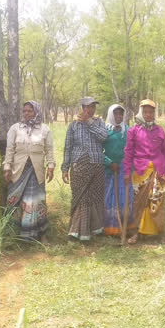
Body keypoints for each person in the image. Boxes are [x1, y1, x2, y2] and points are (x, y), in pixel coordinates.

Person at [123, 99, 165, 244]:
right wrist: (126, 172)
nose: (148, 115)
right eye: (145, 112)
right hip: (140, 172)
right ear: (141, 113)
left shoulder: (159, 130)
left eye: (151, 112)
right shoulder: (133, 130)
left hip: (158, 170)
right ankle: (136, 233)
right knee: (139, 202)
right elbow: (128, 152)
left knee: (157, 200)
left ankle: (160, 233)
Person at [3, 100, 55, 242]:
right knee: (14, 200)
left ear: (36, 112)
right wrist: (7, 167)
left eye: (30, 111)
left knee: (36, 202)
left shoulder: (44, 129)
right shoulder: (15, 128)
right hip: (18, 171)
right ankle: (14, 235)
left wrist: (51, 166)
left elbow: (49, 149)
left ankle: (41, 234)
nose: (26, 113)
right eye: (24, 111)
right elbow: (10, 149)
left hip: (36, 171)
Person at [62, 97, 109, 241]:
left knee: (95, 197)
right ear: (82, 108)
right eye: (88, 107)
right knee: (81, 197)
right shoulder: (73, 126)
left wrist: (88, 122)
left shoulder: (99, 122)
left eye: (93, 107)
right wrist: (65, 168)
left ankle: (95, 229)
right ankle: (77, 232)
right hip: (79, 166)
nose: (91, 110)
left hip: (96, 165)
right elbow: (68, 147)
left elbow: (103, 137)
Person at [103, 104, 132, 236]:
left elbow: (132, 149)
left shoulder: (127, 130)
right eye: (116, 114)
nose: (119, 116)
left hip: (124, 170)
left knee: (124, 198)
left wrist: (127, 167)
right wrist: (109, 163)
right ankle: (111, 228)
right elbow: (98, 150)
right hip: (109, 171)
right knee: (110, 198)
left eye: (121, 114)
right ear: (110, 114)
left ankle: (125, 227)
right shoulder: (104, 130)